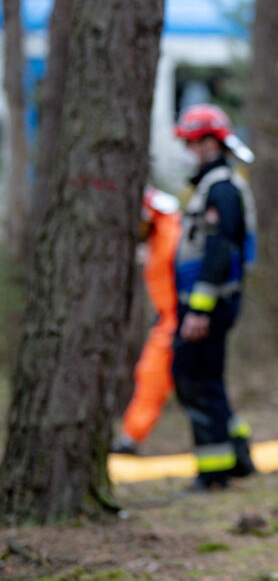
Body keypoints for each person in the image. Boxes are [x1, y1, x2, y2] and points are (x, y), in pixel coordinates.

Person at [171, 104, 258, 491]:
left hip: (209, 304)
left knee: (193, 378)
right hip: (205, 303)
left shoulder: (221, 188)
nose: (190, 150)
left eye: (193, 142)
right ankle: (237, 456)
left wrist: (199, 310)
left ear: (210, 142)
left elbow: (219, 252)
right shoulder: (213, 185)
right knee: (209, 380)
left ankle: (214, 471)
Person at [110, 186, 182, 455]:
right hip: (168, 318)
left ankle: (227, 446)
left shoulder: (170, 235)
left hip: (178, 319)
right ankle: (131, 437)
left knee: (192, 384)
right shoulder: (160, 236)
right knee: (151, 375)